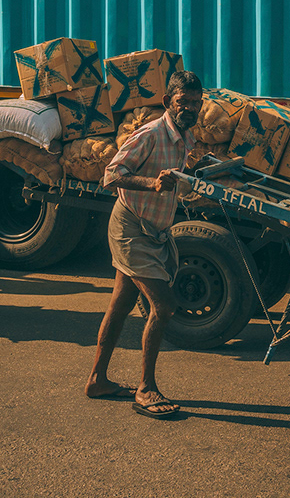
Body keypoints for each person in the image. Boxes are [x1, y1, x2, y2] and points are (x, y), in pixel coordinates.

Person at [85, 70, 203, 419]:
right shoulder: (151, 133)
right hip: (130, 227)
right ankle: (146, 389)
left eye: (197, 103)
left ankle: (96, 380)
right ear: (168, 102)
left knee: (120, 305)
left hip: (154, 230)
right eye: (184, 103)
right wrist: (152, 184)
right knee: (163, 306)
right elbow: (111, 175)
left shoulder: (185, 135)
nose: (191, 109)